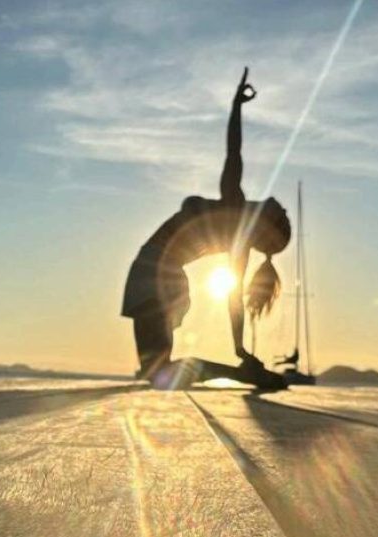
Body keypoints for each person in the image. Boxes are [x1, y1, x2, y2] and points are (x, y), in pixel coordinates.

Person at [122, 67, 292, 388]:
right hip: (152, 272)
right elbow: (235, 301)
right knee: (156, 370)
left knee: (159, 372)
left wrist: (236, 107)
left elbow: (233, 152)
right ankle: (240, 373)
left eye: (278, 210)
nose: (275, 202)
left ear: (266, 227)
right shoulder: (238, 240)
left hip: (156, 272)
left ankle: (238, 374)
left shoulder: (235, 204)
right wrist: (239, 349)